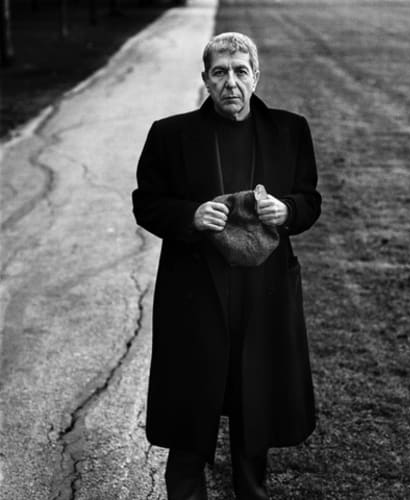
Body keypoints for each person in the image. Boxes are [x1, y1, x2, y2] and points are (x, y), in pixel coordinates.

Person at [132, 32, 321, 500]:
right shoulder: (170, 134)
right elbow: (147, 204)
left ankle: (251, 490)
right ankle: (185, 489)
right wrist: (190, 216)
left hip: (265, 291)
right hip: (195, 290)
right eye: (220, 72)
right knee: (191, 398)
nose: (230, 83)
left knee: (254, 398)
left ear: (256, 76)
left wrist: (289, 211)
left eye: (240, 71)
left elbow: (310, 199)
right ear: (205, 79)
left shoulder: (290, 129)